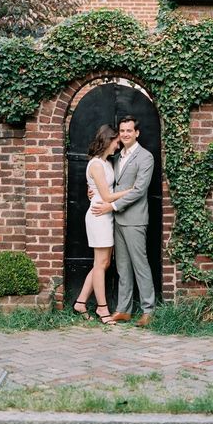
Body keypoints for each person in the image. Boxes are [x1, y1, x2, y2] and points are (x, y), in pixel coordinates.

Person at [92, 115, 155, 327]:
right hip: (116, 220)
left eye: (130, 130)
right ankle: (123, 309)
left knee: (140, 264)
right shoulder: (116, 157)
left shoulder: (145, 157)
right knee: (122, 267)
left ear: (137, 133)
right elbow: (109, 185)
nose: (126, 134)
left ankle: (148, 310)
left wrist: (112, 205)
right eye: (123, 131)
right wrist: (94, 192)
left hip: (135, 219)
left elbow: (139, 190)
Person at [72, 124, 132, 325]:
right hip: (98, 215)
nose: (118, 145)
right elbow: (106, 195)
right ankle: (102, 308)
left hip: (106, 214)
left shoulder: (106, 163)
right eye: (116, 141)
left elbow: (101, 190)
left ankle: (80, 302)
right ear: (108, 141)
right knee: (100, 264)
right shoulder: (96, 164)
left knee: (104, 263)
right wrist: (131, 191)